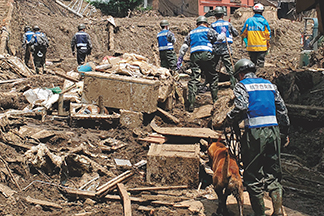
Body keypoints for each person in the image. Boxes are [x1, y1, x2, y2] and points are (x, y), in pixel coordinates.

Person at [225, 59, 290, 216]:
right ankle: (278, 211)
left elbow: (241, 106)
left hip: (255, 133)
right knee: (273, 173)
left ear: (241, 74)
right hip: (273, 131)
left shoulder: (242, 85)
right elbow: (282, 110)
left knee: (253, 175)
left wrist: (229, 118)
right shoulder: (270, 85)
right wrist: (285, 132)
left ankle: (259, 213)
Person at [177, 16, 224, 112]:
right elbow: (219, 39)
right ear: (206, 23)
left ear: (197, 24)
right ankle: (215, 100)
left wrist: (180, 58)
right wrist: (223, 32)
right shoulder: (209, 30)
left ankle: (191, 104)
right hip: (207, 55)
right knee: (213, 76)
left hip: (194, 56)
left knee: (195, 78)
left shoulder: (191, 33)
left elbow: (184, 47)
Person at [211, 6, 239, 89]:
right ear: (223, 15)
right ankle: (233, 84)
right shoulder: (228, 24)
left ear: (215, 16)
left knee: (213, 67)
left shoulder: (213, 25)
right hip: (226, 48)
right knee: (229, 67)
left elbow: (210, 36)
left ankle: (213, 84)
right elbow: (236, 33)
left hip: (216, 48)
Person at [241, 3, 271, 68]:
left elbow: (243, 33)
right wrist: (268, 44)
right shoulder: (264, 21)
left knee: (252, 63)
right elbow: (268, 35)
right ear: (262, 11)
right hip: (262, 47)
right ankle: (259, 76)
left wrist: (246, 41)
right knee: (260, 64)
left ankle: (253, 76)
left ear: (253, 11)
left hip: (251, 47)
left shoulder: (249, 20)